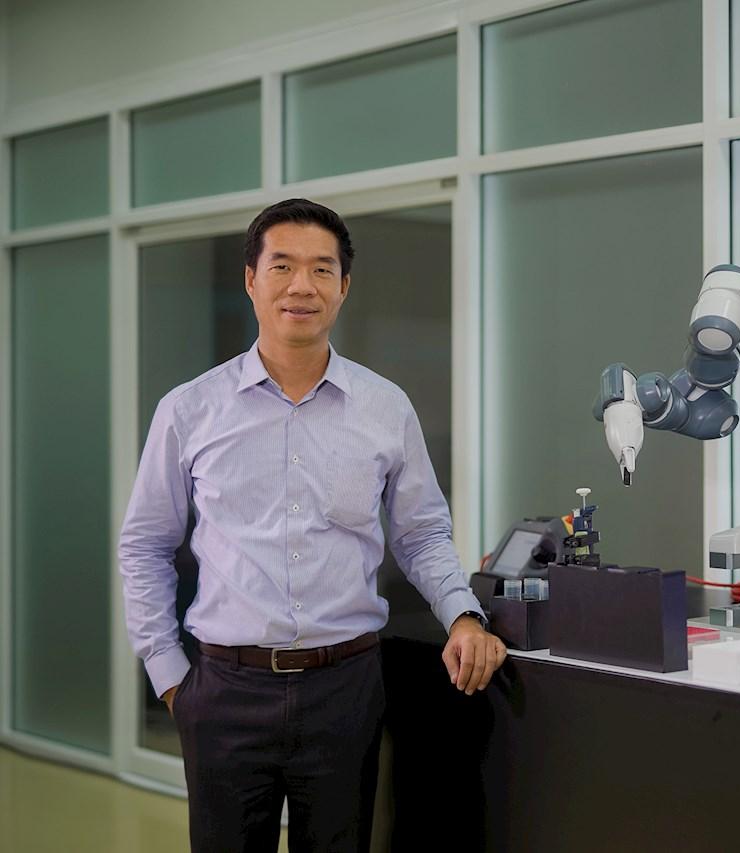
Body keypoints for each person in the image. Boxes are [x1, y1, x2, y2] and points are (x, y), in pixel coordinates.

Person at [119, 198, 506, 853]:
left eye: (322, 269)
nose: (302, 285)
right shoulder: (189, 410)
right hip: (224, 693)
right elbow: (145, 545)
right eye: (282, 266)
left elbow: (421, 534)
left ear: (344, 286)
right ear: (251, 280)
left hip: (345, 690)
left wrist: (464, 616)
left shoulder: (385, 407)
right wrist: (170, 676)